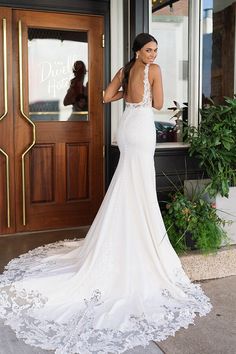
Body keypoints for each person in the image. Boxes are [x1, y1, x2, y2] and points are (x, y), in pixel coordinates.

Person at [0, 33, 211, 354]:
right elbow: (156, 104)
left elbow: (103, 96)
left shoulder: (124, 69)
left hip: (126, 129)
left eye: (155, 50)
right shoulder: (153, 70)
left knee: (128, 182)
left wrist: (127, 89)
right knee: (138, 182)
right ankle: (138, 238)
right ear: (138, 50)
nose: (153, 54)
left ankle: (123, 233)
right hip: (141, 128)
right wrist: (146, 90)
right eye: (149, 50)